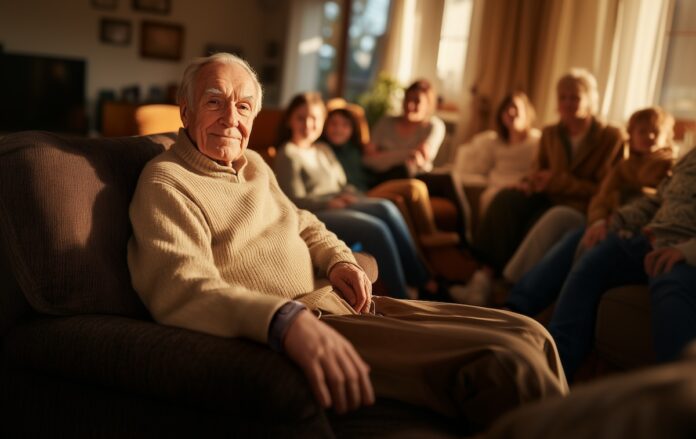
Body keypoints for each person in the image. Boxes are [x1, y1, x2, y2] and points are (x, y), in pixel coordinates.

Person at [127, 53, 568, 432]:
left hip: (345, 302)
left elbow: (304, 222)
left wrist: (341, 261)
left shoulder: (255, 164)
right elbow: (180, 286)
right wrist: (284, 320)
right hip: (312, 325)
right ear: (185, 111)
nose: (231, 119)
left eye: (243, 107)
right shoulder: (168, 182)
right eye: (214, 102)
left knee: (532, 333)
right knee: (509, 365)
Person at [460, 69, 623, 300]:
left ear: (590, 100)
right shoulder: (551, 133)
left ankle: (508, 286)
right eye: (562, 97)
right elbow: (537, 170)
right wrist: (527, 183)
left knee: (547, 217)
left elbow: (605, 189)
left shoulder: (611, 137)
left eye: (574, 97)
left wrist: (558, 182)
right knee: (506, 198)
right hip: (548, 196)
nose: (567, 103)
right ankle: (483, 276)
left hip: (580, 205)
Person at [544, 144, 696, 380]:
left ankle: (679, 398)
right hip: (650, 239)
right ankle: (551, 371)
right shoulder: (690, 157)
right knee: (595, 257)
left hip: (684, 250)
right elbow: (655, 202)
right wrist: (612, 221)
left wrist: (687, 251)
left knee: (671, 285)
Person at [505, 107, 676, 316]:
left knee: (583, 244)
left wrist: (616, 216)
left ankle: (537, 308)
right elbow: (600, 198)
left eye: (655, 131)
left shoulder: (670, 166)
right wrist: (597, 221)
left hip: (634, 230)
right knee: (575, 238)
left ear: (666, 136)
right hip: (608, 223)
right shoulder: (623, 166)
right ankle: (518, 303)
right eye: (642, 131)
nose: (649, 136)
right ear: (631, 135)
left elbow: (657, 205)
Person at [273, 92, 435, 300]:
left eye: (314, 118)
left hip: (340, 202)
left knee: (386, 207)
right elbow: (293, 201)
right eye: (301, 118)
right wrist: (330, 202)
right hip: (317, 212)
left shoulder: (323, 148)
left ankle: (422, 280)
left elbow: (342, 184)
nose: (308, 124)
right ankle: (402, 296)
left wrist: (353, 196)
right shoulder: (288, 153)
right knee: (375, 228)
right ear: (289, 120)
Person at [322, 105, 460, 250]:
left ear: (352, 129)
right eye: (333, 124)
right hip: (361, 193)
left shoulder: (355, 148)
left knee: (414, 185)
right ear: (325, 126)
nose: (338, 129)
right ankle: (419, 242)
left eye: (344, 125)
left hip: (372, 185)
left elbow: (372, 163)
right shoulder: (324, 150)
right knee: (405, 192)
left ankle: (426, 237)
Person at [453, 91, 540, 218]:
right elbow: (482, 167)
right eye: (506, 109)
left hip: (519, 189)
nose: (510, 113)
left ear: (526, 112)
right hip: (495, 187)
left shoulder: (536, 141)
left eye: (515, 108)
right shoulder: (495, 142)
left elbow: (537, 170)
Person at [364, 79, 446, 181]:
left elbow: (421, 159)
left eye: (417, 101)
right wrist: (408, 154)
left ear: (428, 105)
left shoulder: (434, 125)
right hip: (384, 177)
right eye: (407, 99)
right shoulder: (386, 122)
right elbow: (368, 159)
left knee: (448, 178)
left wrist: (385, 156)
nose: (409, 105)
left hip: (419, 178)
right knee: (404, 169)